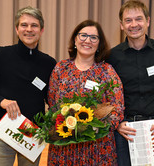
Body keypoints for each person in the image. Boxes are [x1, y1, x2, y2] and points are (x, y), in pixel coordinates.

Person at [0, 6, 56, 166]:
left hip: (32, 134)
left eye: (34, 25)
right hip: (4, 131)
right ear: (17, 29)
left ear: (41, 30)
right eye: (24, 25)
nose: (29, 29)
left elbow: (51, 98)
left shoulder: (49, 63)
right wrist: (1, 101)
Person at [106, 1, 154, 165]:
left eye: (139, 19)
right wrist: (117, 123)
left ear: (148, 21)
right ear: (121, 25)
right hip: (125, 129)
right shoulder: (112, 56)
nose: (134, 24)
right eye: (128, 20)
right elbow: (107, 94)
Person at [47, 20, 125, 165]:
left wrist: (93, 128)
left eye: (93, 37)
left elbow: (118, 107)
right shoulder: (60, 68)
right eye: (83, 35)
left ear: (98, 44)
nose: (87, 40)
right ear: (75, 40)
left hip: (97, 145)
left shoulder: (107, 72)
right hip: (65, 145)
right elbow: (52, 104)